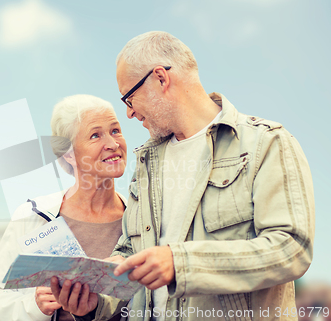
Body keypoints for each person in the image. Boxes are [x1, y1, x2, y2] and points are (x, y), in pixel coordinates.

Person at [51, 31, 315, 321]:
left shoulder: (266, 143)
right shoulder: (147, 163)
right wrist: (95, 302)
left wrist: (181, 263)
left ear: (161, 79)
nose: (129, 114)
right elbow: (130, 254)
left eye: (129, 98)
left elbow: (291, 247)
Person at [0, 94, 128, 321]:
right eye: (95, 135)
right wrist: (35, 306)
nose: (113, 144)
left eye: (115, 131)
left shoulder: (141, 218)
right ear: (68, 154)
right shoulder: (32, 216)